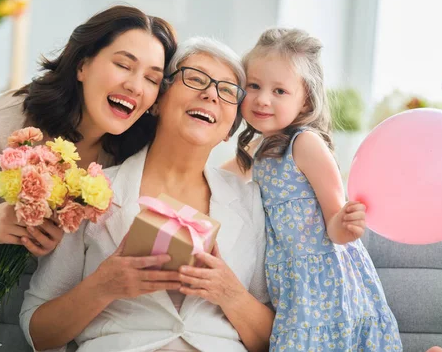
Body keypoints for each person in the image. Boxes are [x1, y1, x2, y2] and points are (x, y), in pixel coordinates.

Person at [20, 37, 274, 352]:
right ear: (157, 100)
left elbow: (274, 342)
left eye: (227, 91)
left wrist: (230, 294)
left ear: (229, 128)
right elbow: (38, 332)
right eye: (195, 79)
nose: (210, 94)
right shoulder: (93, 190)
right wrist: (102, 287)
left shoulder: (251, 201)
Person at [0, 5, 177, 271]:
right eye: (123, 65)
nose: (135, 86)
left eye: (152, 79)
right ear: (82, 66)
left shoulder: (136, 152)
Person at [223, 28, 403, 351]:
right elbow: (211, 178)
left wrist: (347, 224)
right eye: (254, 86)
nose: (263, 98)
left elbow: (335, 221)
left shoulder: (305, 144)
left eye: (280, 90)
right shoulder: (260, 150)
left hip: (324, 279)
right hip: (291, 283)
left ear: (305, 99)